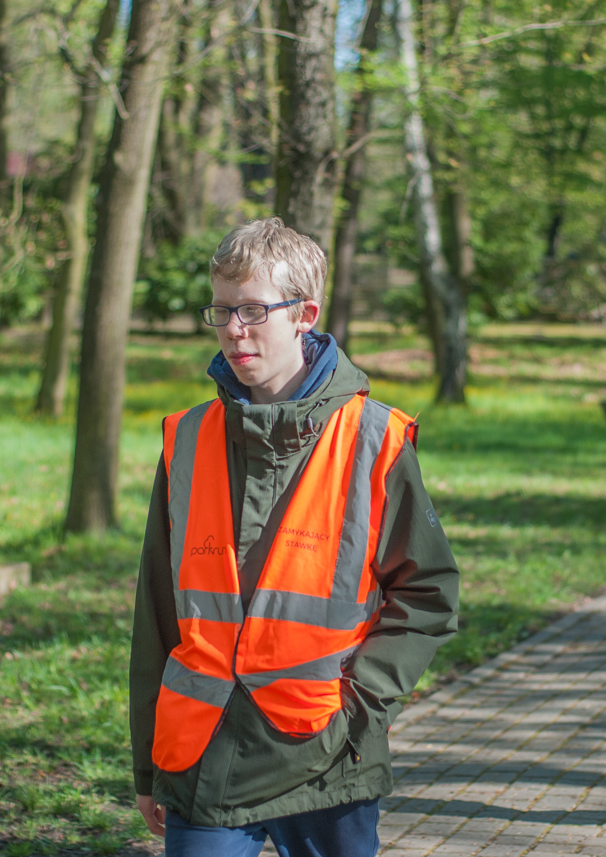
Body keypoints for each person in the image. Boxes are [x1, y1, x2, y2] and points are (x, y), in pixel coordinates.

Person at [128, 217, 459, 857]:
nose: (233, 329)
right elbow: (157, 615)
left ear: (304, 314)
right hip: (203, 757)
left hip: (327, 761)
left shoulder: (374, 439)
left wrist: (362, 708)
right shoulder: (187, 440)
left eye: (253, 310)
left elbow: (428, 591)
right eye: (221, 311)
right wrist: (148, 764)